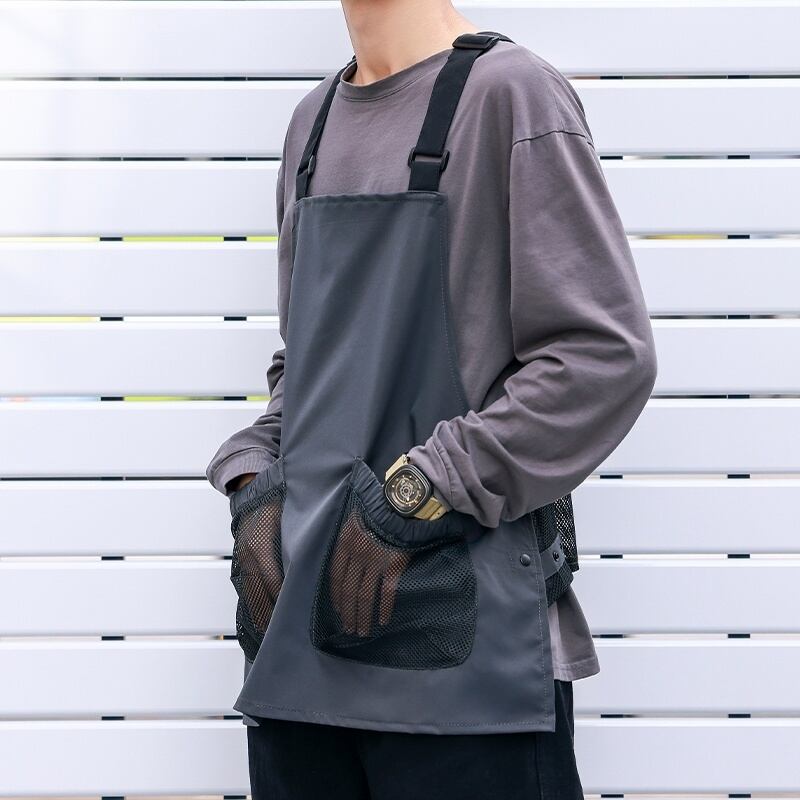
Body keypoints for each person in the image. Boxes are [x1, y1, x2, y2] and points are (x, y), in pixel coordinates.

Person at [205, 2, 657, 797]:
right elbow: (309, 367)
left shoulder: (511, 95)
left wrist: (419, 491)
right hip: (299, 661)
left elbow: (600, 358)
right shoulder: (311, 124)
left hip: (466, 675)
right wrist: (252, 480)